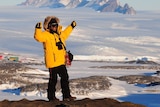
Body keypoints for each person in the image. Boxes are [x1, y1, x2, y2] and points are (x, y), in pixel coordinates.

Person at [34, 16, 76, 101]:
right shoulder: (46, 35)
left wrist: (71, 26)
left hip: (61, 61)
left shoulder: (60, 34)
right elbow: (38, 37)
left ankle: (66, 96)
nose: (55, 27)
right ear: (48, 26)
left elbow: (66, 32)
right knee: (53, 80)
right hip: (52, 62)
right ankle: (51, 97)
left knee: (65, 78)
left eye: (56, 25)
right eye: (52, 25)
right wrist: (38, 28)